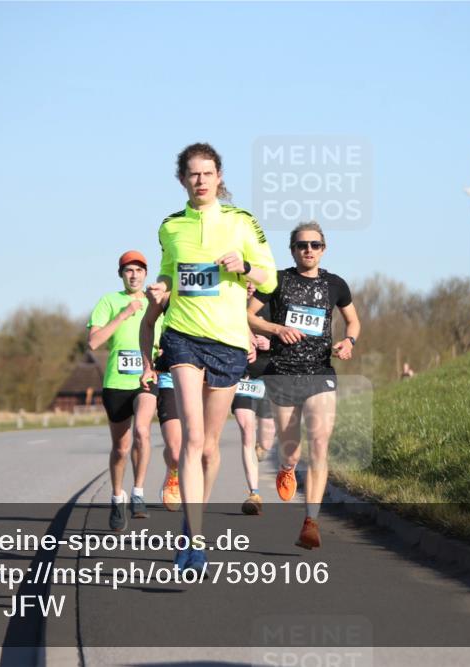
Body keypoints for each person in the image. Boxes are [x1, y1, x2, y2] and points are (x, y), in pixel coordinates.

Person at [140, 142, 277, 570]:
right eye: (192, 174)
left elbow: (269, 279)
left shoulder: (242, 222)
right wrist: (161, 287)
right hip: (182, 335)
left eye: (207, 173)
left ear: (219, 177)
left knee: (210, 447)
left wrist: (242, 267)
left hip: (229, 340)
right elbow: (168, 270)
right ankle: (195, 540)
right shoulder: (170, 226)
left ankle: (191, 525)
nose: (200, 180)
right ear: (182, 179)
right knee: (191, 438)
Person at [248, 221, 360, 549]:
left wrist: (349, 341)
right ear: (293, 250)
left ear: (324, 249)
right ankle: (287, 466)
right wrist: (276, 329)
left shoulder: (335, 284)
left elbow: (353, 320)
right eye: (301, 245)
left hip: (320, 373)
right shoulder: (278, 281)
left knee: (320, 443)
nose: (308, 250)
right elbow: (249, 316)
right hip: (282, 373)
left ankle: (311, 521)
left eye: (314, 244)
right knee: (291, 446)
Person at [88, 251, 163, 532]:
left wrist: (159, 354)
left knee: (143, 432)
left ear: (146, 274)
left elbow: (165, 339)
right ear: (121, 274)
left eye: (139, 270)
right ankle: (117, 497)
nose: (134, 275)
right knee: (120, 447)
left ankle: (139, 493)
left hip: (145, 379)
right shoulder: (109, 301)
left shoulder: (156, 302)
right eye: (128, 270)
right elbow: (94, 342)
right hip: (116, 383)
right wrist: (123, 314)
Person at [232, 283, 276, 515]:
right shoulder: (229, 304)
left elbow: (291, 338)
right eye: (244, 281)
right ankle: (254, 493)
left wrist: (272, 344)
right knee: (247, 429)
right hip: (242, 377)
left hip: (268, 375)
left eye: (253, 282)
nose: (249, 287)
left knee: (266, 439)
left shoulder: (273, 306)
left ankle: (261, 449)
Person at [140, 296, 182, 512]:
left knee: (203, 448)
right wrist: (149, 363)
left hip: (206, 377)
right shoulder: (168, 294)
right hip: (170, 376)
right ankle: (173, 473)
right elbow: (147, 324)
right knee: (175, 451)